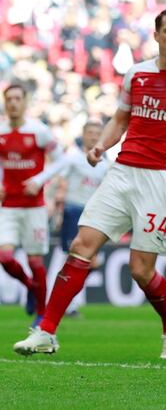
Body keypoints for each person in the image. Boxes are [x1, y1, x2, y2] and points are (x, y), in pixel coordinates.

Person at [13, 8, 166, 360]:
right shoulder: (137, 74)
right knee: (82, 244)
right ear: (156, 35)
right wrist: (102, 145)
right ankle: (47, 331)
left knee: (141, 270)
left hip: (160, 180)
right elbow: (120, 119)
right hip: (123, 172)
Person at [25, 120, 109, 316]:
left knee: (90, 262)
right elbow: (56, 176)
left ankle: (63, 298)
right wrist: (48, 197)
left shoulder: (107, 165)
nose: (94, 137)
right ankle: (58, 302)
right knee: (72, 260)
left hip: (94, 216)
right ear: (84, 135)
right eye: (91, 133)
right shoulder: (73, 158)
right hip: (74, 213)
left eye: (98, 133)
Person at [0, 84, 63, 325]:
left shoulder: (39, 131)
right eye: (9, 99)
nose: (13, 103)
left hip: (34, 207)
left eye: (17, 98)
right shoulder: (1, 131)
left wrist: (39, 180)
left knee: (35, 261)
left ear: (25, 102)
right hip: (9, 206)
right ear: (5, 103)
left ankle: (41, 313)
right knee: (4, 257)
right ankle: (30, 285)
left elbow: (61, 160)